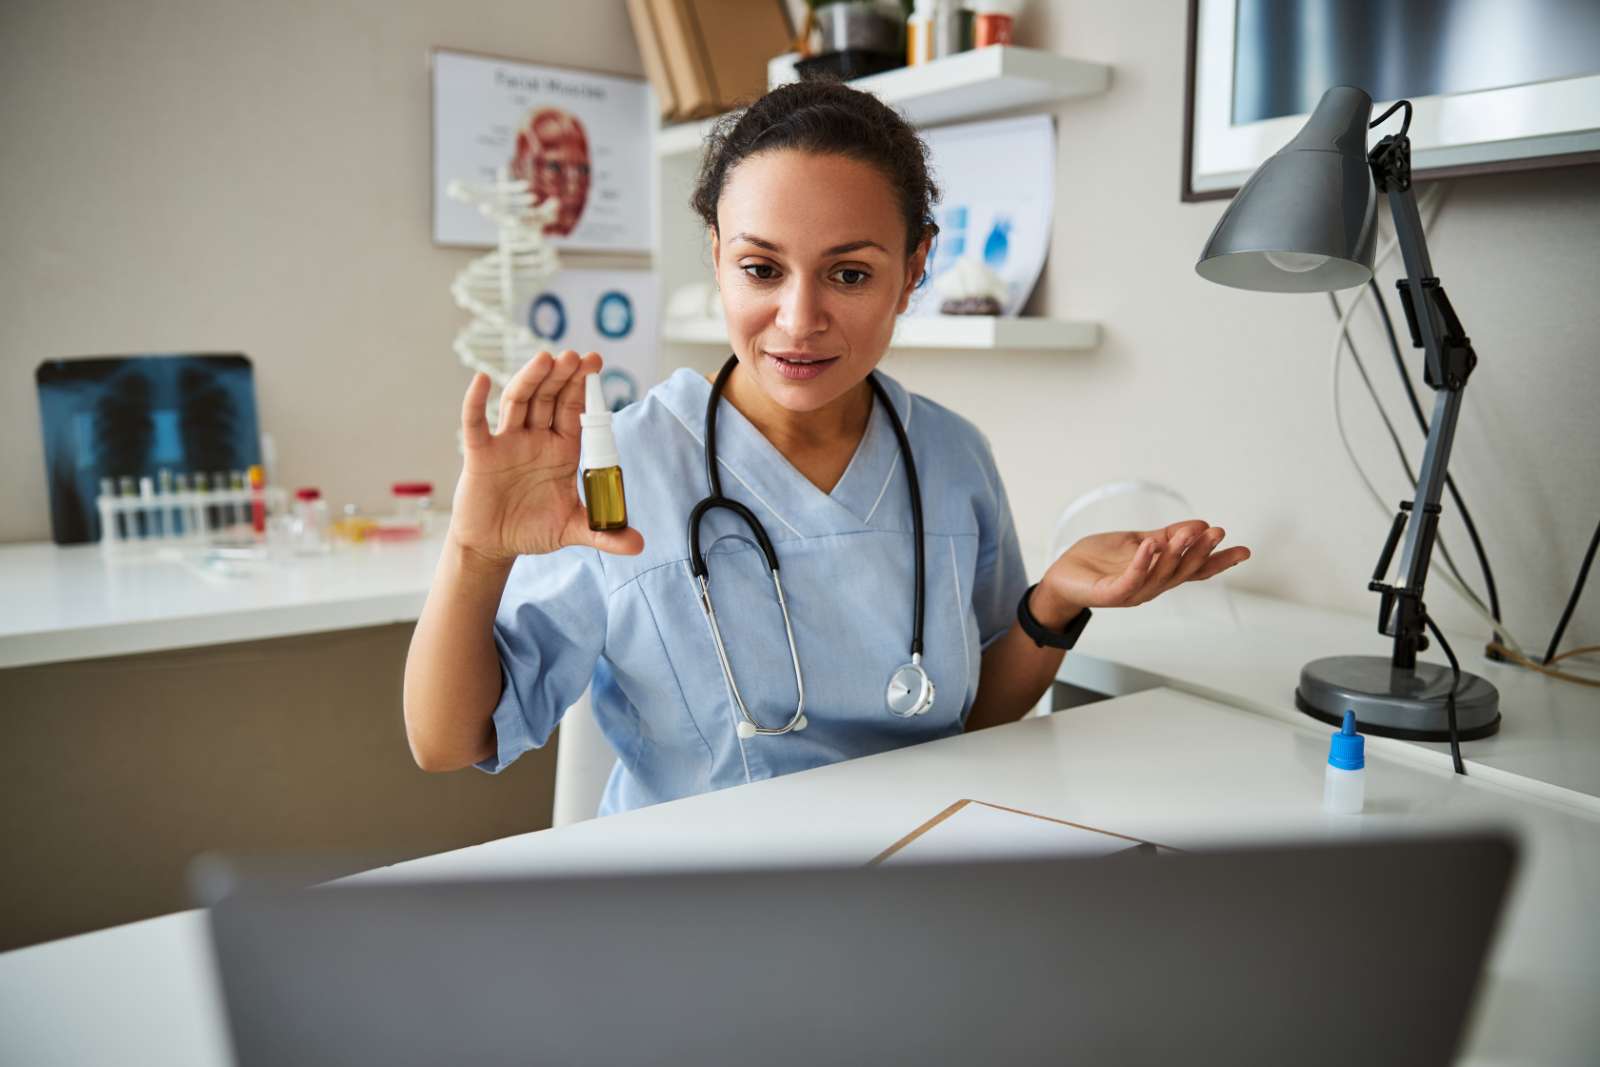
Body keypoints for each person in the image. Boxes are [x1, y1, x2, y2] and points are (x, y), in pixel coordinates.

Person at [404, 80, 1250, 815]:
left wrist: (1057, 597)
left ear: (914, 269)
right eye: (761, 269)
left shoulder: (953, 458)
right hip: (703, 916)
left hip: (910, 888)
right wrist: (476, 550)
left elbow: (970, 723)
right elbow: (447, 740)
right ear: (717, 257)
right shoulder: (619, 466)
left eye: (849, 273)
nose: (799, 320)